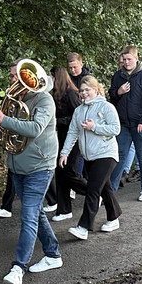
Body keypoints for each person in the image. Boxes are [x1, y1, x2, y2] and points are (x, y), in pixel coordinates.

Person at [0, 60, 62, 284]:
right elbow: (10, 133)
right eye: (12, 76)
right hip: (18, 165)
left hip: (40, 166)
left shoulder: (44, 100)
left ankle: (19, 267)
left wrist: (3, 119)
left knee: (28, 216)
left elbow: (35, 129)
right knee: (35, 213)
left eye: (16, 76)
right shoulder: (14, 101)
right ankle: (53, 254)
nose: (12, 80)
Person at [60, 76, 122, 239]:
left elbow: (116, 129)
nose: (84, 93)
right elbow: (72, 132)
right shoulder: (79, 111)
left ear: (96, 89)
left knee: (93, 190)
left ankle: (83, 227)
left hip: (106, 154)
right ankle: (114, 217)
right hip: (89, 156)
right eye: (81, 90)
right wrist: (64, 153)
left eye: (87, 90)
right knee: (105, 188)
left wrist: (94, 127)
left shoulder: (106, 107)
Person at [108, 46, 142, 202]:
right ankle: (110, 191)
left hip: (141, 123)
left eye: (129, 59)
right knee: (119, 156)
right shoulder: (118, 76)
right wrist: (118, 92)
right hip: (123, 124)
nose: (127, 62)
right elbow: (112, 96)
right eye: (124, 59)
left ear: (136, 58)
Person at [48, 66, 82, 224]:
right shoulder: (56, 94)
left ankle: (95, 192)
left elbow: (78, 117)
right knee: (60, 173)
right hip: (60, 137)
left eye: (52, 77)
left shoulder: (71, 94)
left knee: (69, 172)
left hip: (73, 139)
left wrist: (57, 121)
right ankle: (64, 209)